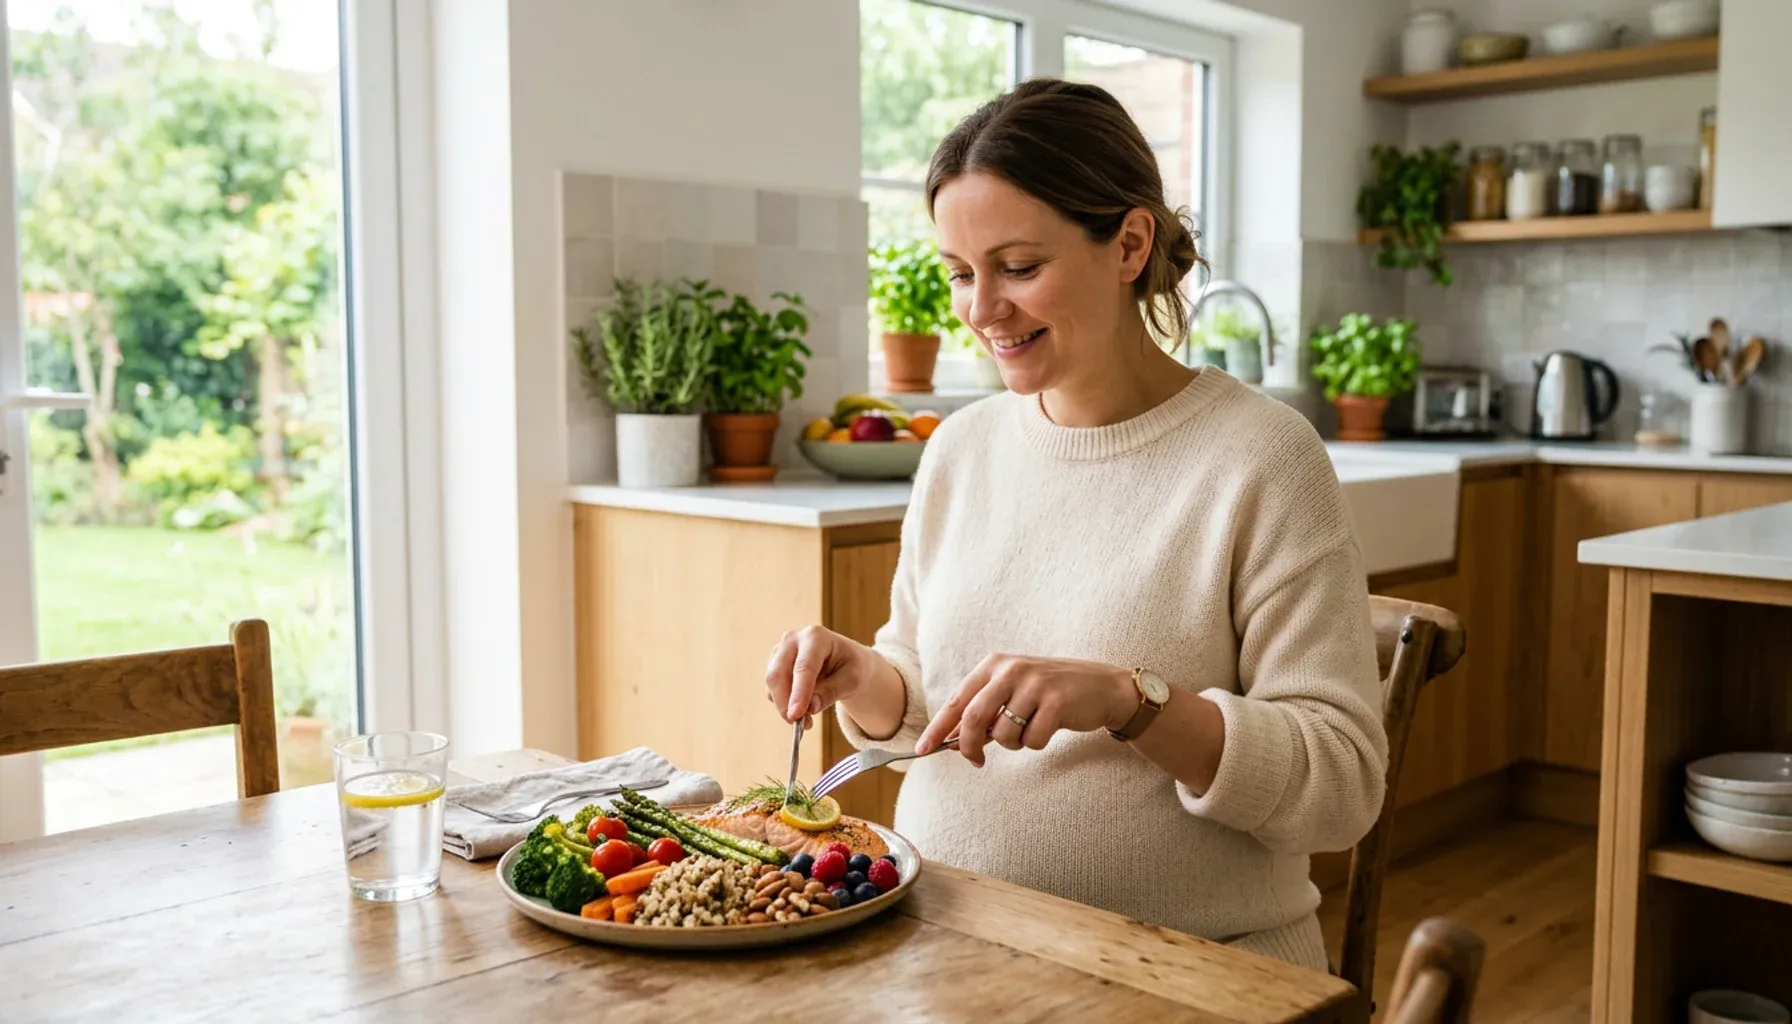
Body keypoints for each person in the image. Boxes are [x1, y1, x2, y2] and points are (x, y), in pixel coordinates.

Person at [764, 78, 1386, 971]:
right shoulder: (961, 449)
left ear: (1130, 243)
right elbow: (926, 707)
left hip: (1192, 968)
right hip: (949, 939)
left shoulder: (1263, 457)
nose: (982, 310)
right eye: (960, 274)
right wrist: (866, 677)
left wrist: (1134, 703)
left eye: (1018, 268)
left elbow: (1342, 787)